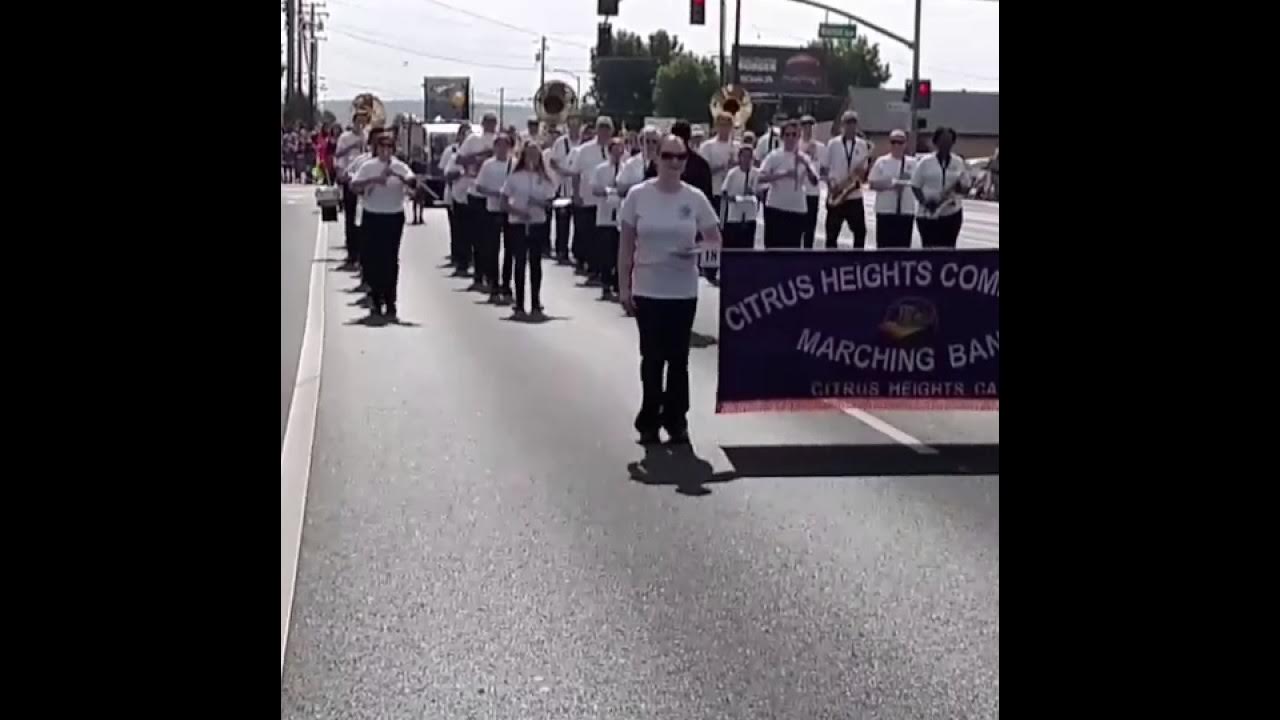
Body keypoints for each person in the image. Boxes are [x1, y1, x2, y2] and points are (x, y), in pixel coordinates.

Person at [618, 135, 723, 445]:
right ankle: (649, 418)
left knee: (678, 359)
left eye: (681, 157)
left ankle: (676, 419)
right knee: (652, 358)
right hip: (648, 288)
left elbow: (715, 241)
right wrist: (624, 288)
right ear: (657, 159)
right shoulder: (638, 196)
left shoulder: (695, 198)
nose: (674, 163)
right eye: (668, 156)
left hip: (682, 289)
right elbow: (625, 247)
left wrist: (695, 250)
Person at [350, 130, 415, 320]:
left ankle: (390, 300)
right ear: (376, 148)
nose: (385, 150)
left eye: (389, 147)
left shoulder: (399, 166)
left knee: (390, 259)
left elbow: (412, 182)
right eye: (382, 147)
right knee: (372, 260)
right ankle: (376, 298)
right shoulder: (368, 166)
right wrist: (374, 180)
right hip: (372, 215)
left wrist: (399, 176)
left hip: (393, 216)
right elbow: (355, 186)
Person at [500, 140, 557, 318]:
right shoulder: (515, 177)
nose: (532, 158)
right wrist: (518, 212)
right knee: (520, 263)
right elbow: (503, 202)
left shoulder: (545, 179)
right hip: (518, 223)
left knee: (535, 264)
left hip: (537, 223)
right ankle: (518, 303)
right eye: (529, 154)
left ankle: (535, 302)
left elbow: (550, 202)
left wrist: (538, 204)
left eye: (535, 154)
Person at [758, 120, 816, 249]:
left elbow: (814, 181)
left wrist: (806, 165)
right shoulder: (774, 156)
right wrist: (782, 175)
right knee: (773, 247)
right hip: (776, 206)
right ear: (782, 137)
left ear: (798, 137)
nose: (790, 138)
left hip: (797, 208)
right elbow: (760, 178)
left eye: (794, 135)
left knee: (793, 248)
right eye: (787, 135)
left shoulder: (804, 158)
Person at [458, 113, 499, 291]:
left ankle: (491, 277)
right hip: (475, 191)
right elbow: (460, 159)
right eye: (487, 122)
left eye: (493, 122)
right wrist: (480, 156)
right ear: (482, 124)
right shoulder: (473, 140)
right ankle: (478, 275)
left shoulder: (501, 140)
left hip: (494, 195)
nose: (490, 125)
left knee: (492, 240)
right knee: (476, 237)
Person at [911, 126, 971, 248]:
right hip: (928, 214)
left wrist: (960, 188)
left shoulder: (958, 162)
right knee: (930, 248)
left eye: (949, 140)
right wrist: (925, 203)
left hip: (952, 212)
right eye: (943, 140)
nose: (946, 144)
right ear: (936, 142)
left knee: (949, 248)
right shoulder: (925, 162)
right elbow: (915, 185)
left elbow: (966, 187)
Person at [820, 110, 872, 249]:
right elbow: (824, 168)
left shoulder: (862, 145)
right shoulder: (832, 144)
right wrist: (831, 184)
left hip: (854, 195)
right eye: (848, 123)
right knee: (831, 234)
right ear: (842, 125)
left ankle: (855, 262)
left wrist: (857, 178)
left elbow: (863, 170)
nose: (851, 126)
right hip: (836, 193)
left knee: (860, 232)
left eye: (854, 123)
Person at [569, 117, 611, 282]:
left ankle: (601, 269)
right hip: (587, 198)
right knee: (588, 235)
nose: (604, 132)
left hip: (607, 203)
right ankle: (591, 267)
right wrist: (576, 194)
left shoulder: (615, 149)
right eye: (602, 128)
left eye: (607, 129)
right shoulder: (584, 150)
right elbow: (575, 174)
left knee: (603, 237)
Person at [475, 132, 516, 303]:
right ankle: (493, 283)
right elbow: (479, 187)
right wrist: (494, 193)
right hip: (492, 210)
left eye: (505, 145)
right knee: (492, 250)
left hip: (510, 211)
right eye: (499, 145)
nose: (502, 148)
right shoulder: (488, 165)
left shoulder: (514, 165)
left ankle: (506, 284)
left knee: (510, 250)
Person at [867, 128, 918, 249]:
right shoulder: (882, 161)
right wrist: (890, 184)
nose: (896, 145)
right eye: (893, 142)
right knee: (884, 248)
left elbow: (918, 183)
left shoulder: (913, 163)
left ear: (905, 144)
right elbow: (872, 184)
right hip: (885, 211)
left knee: (903, 248)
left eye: (900, 142)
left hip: (906, 211)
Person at [590, 137, 627, 301]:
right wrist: (606, 191)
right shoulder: (601, 169)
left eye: (621, 150)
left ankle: (619, 285)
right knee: (606, 253)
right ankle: (605, 284)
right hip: (605, 215)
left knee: (620, 252)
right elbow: (594, 189)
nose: (617, 153)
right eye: (614, 150)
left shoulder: (627, 169)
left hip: (621, 216)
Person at [335, 114, 369, 271]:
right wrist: (352, 146)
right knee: (350, 217)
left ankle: (361, 253)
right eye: (359, 122)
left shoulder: (366, 135)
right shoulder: (345, 137)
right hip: (349, 177)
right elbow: (338, 154)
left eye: (363, 122)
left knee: (361, 218)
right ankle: (351, 253)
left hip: (362, 178)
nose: (361, 125)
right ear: (353, 122)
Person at [441, 124, 472, 276]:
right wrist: (460, 172)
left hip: (474, 199)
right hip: (456, 196)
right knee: (458, 230)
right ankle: (460, 259)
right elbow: (446, 174)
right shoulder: (453, 154)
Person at [720, 144, 760, 251]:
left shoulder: (756, 173)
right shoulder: (733, 173)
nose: (746, 160)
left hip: (750, 215)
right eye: (744, 156)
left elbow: (761, 192)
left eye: (749, 157)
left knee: (747, 246)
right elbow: (724, 193)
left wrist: (753, 193)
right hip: (734, 216)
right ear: (739, 157)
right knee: (733, 245)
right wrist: (733, 198)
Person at [698, 112, 738, 220]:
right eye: (722, 125)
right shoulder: (707, 146)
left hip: (732, 193)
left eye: (727, 125)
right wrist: (722, 166)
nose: (724, 128)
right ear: (716, 126)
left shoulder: (737, 147)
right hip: (715, 191)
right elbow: (703, 171)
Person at [797, 115, 822, 248]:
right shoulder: (796, 145)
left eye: (811, 127)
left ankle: (808, 252)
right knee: (797, 226)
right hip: (798, 191)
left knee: (810, 227)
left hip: (813, 192)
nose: (808, 129)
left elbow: (824, 169)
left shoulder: (821, 147)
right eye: (805, 126)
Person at [618, 125, 660, 194]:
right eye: (647, 141)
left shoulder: (664, 163)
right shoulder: (630, 164)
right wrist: (640, 186)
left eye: (654, 141)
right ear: (640, 143)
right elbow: (620, 188)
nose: (650, 145)